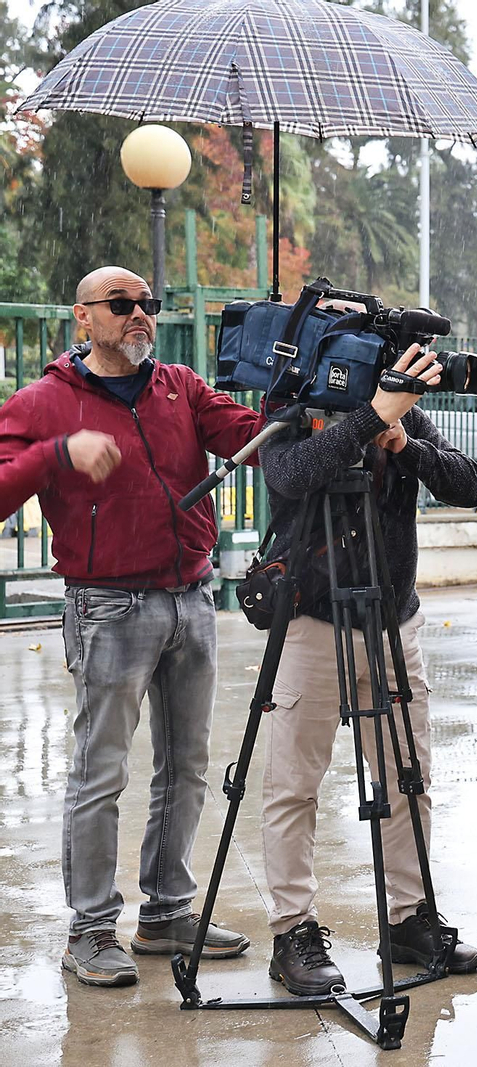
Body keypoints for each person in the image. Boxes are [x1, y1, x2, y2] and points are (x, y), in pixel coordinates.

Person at [0, 266, 261, 986]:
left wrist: (307, 406)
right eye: (122, 304)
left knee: (186, 765)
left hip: (191, 599)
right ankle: (89, 929)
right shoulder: (45, 402)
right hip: (107, 607)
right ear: (83, 317)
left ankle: (166, 913)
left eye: (148, 303)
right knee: (100, 772)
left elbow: (252, 436)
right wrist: (57, 453)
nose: (140, 313)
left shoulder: (181, 387)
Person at [256, 341, 477, 996]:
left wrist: (403, 442)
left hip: (392, 622)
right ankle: (292, 929)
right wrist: (366, 419)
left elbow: (468, 485)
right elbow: (289, 475)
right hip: (312, 620)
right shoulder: (293, 397)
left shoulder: (404, 412)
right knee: (294, 785)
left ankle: (410, 918)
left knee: (409, 778)